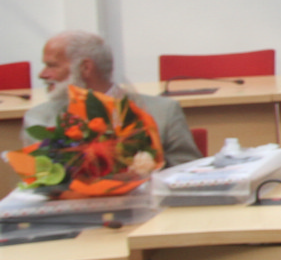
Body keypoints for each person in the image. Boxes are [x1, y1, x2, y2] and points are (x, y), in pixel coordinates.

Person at [25, 31, 202, 167]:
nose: (42, 74)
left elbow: (189, 173)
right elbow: (39, 179)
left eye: (52, 65)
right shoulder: (39, 119)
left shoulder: (163, 112)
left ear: (85, 68)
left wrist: (146, 167)